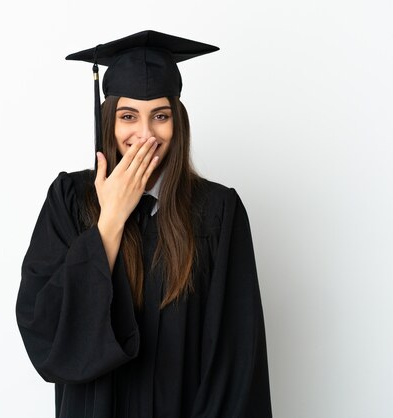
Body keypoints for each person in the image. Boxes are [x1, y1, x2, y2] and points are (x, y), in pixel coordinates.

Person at [16, 30, 272, 418]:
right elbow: (47, 332)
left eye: (161, 116)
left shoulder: (218, 210)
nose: (146, 134)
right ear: (109, 122)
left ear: (178, 123)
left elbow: (235, 357)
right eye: (128, 116)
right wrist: (110, 222)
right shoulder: (70, 199)